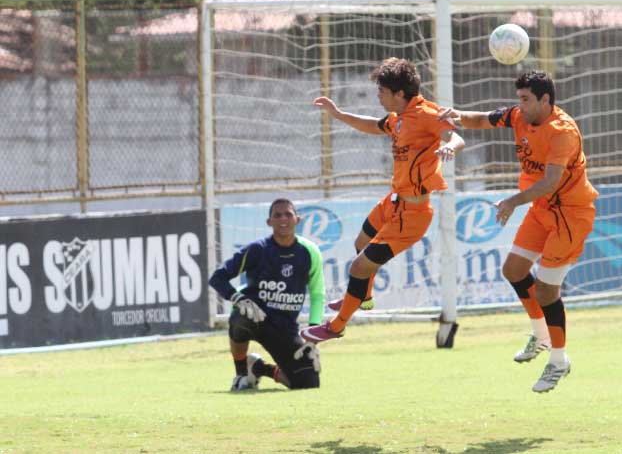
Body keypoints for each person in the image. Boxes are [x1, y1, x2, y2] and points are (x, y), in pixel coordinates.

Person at [439, 71, 598, 393]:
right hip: (542, 209)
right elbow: (483, 119)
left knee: (545, 291)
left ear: (545, 100)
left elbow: (551, 181)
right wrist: (456, 115)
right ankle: (540, 334)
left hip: (570, 215)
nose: (519, 105)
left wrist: (513, 201)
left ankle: (558, 360)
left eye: (526, 99)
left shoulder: (562, 131)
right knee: (513, 269)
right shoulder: (518, 116)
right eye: (519, 98)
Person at [300, 57, 465, 343]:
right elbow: (372, 125)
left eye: (382, 91)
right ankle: (364, 295)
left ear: (399, 93)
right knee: (361, 244)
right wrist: (337, 113)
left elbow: (456, 137)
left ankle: (336, 326)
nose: (378, 96)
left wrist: (449, 148)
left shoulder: (426, 114)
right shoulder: (398, 118)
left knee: (359, 267)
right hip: (394, 201)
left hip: (412, 214)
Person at [209, 198, 325, 391]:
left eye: (288, 214)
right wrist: (237, 298)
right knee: (242, 314)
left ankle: (259, 368)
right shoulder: (258, 249)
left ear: (297, 219)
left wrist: (312, 336)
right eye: (277, 215)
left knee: (308, 383)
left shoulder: (309, 252)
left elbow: (318, 294)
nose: (283, 219)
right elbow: (218, 277)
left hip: (284, 328)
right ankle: (241, 375)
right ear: (269, 222)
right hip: (255, 317)